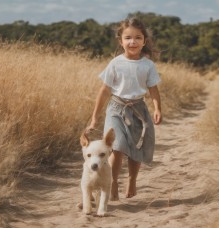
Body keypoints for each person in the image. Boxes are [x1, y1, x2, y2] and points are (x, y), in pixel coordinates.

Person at [85, 17, 162, 200]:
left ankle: (132, 180)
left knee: (136, 150)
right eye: (128, 38)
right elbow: (104, 91)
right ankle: (112, 182)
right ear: (121, 41)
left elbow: (153, 90)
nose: (132, 42)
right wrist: (95, 118)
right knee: (116, 146)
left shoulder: (148, 65)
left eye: (137, 38)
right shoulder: (115, 63)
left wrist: (157, 108)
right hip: (116, 108)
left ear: (144, 41)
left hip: (138, 109)